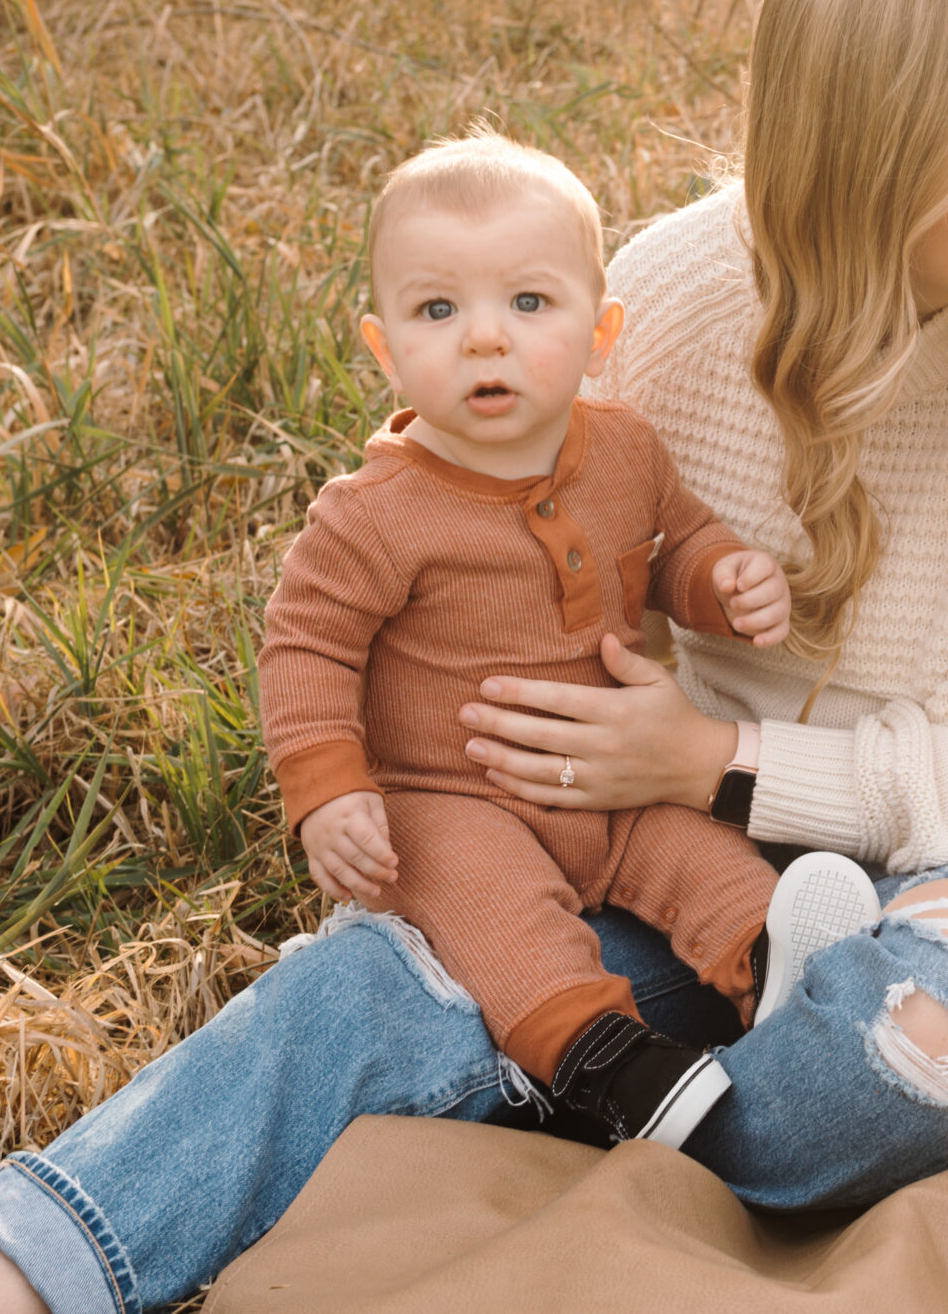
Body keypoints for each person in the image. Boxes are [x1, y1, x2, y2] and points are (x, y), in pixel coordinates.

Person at [0, 0, 948, 1314]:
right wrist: (472, 783)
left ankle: (616, 1085)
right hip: (669, 830)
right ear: (863, 164)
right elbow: (482, 509)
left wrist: (722, 755)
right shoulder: (681, 290)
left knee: (912, 1059)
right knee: (393, 978)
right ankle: (24, 1257)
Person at [267, 134, 884, 1152]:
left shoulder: (628, 448)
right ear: (383, 348)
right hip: (448, 795)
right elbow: (306, 649)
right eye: (438, 311)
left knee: (706, 862)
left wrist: (725, 582)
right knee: (502, 920)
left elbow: (675, 539)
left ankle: (783, 971)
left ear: (600, 333)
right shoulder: (373, 515)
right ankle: (609, 1064)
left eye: (528, 304)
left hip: (612, 783)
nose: (483, 341)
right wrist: (331, 788)